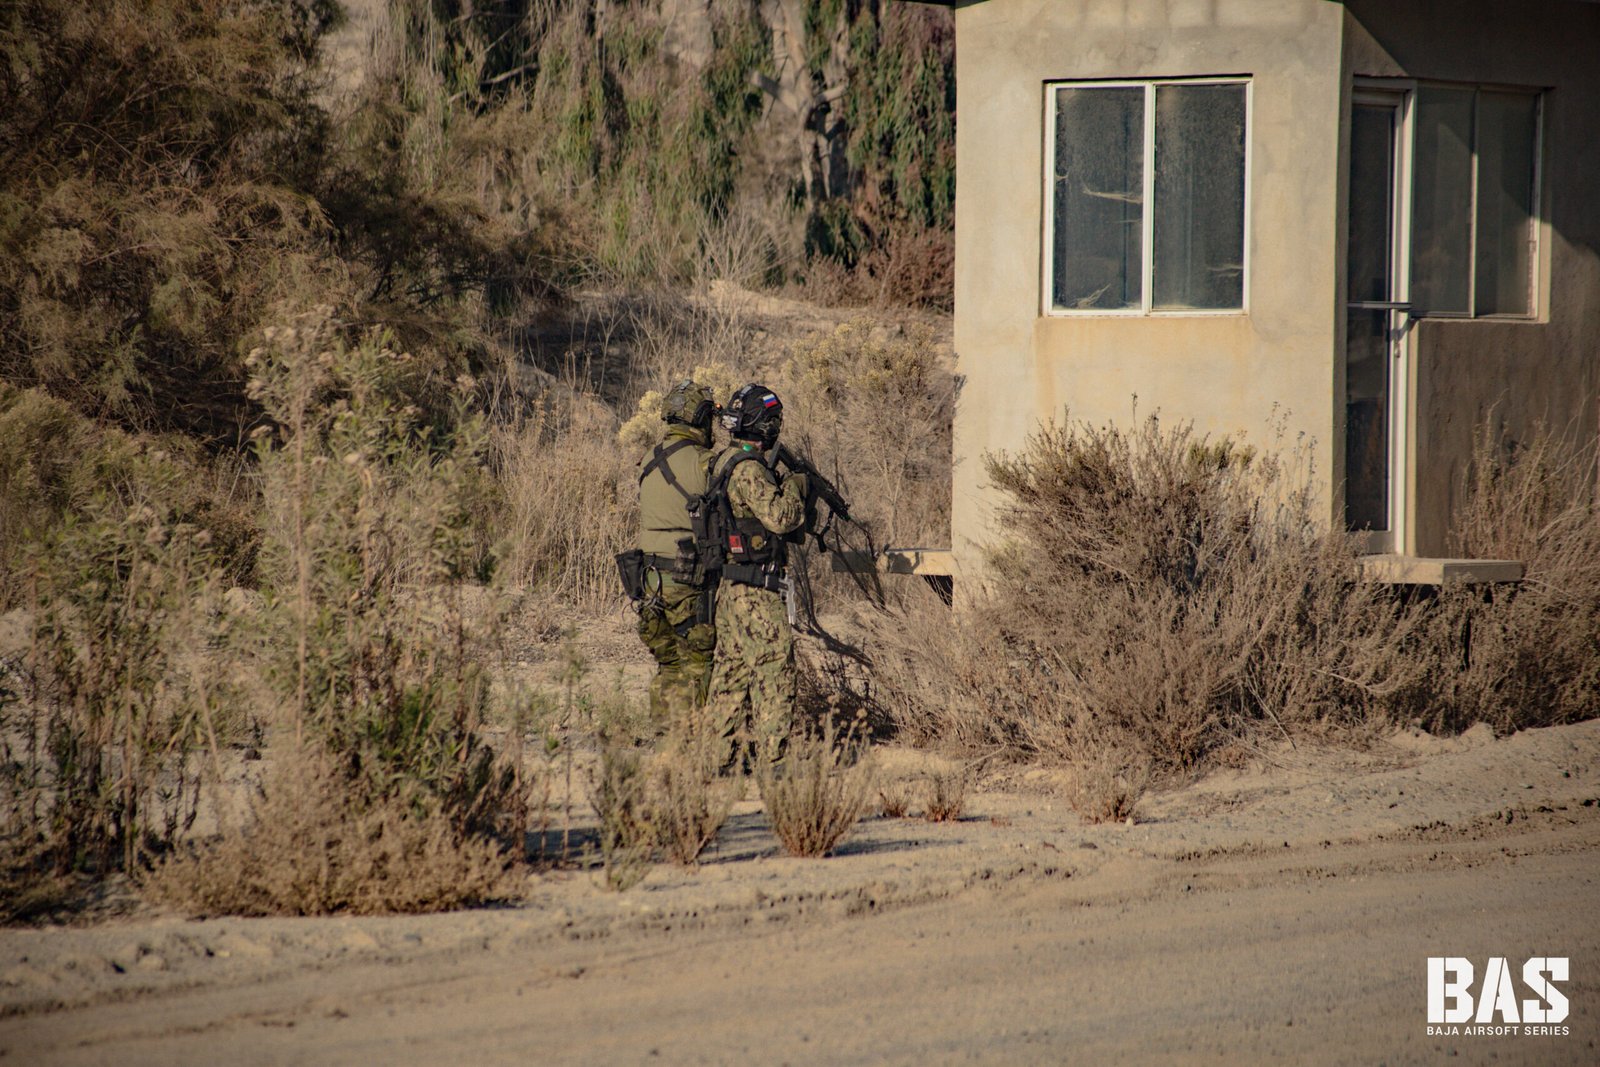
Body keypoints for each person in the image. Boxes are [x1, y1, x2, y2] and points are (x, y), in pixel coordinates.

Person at [704, 383, 809, 767]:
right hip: (756, 590)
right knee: (774, 670)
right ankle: (773, 762)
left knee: (730, 676)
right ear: (763, 424)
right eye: (774, 420)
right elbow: (781, 518)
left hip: (732, 588)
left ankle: (715, 760)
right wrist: (795, 488)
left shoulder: (725, 460)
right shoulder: (749, 469)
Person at [634, 378, 719, 729]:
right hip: (687, 581)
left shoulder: (648, 460)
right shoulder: (705, 463)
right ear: (699, 418)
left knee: (669, 664)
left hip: (648, 582)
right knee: (697, 664)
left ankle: (665, 739)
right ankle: (692, 742)